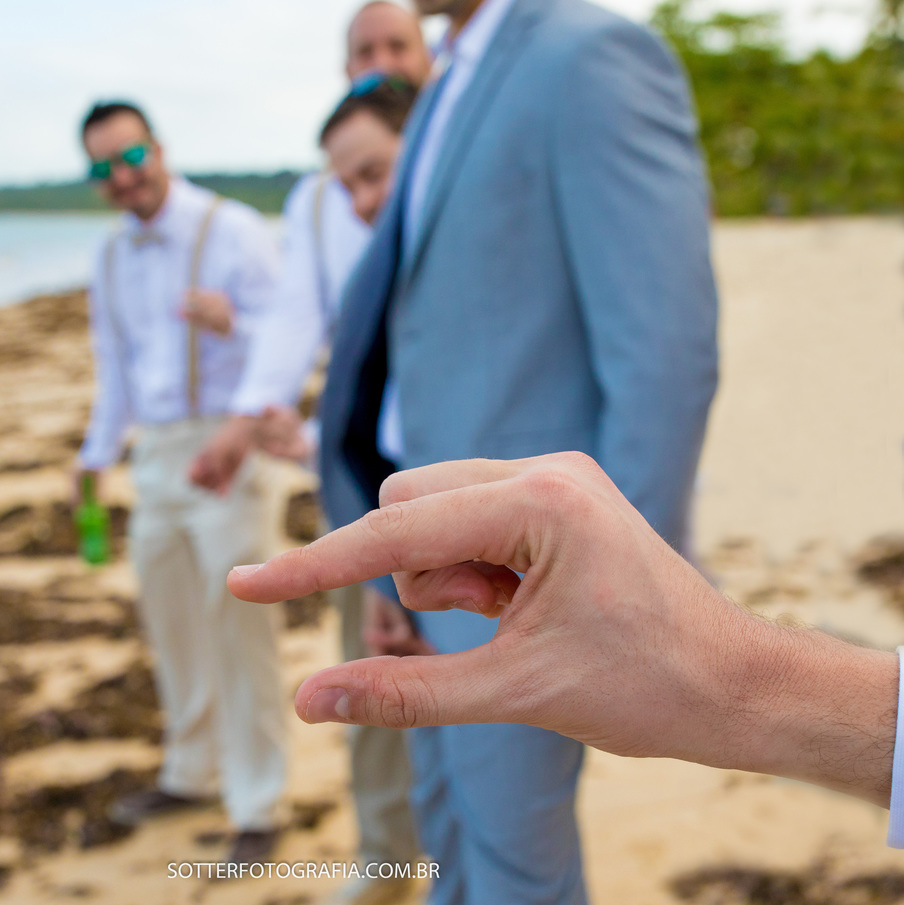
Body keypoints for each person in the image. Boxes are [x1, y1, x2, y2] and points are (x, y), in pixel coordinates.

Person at [313, 0, 720, 902]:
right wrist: (388, 564)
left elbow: (663, 354)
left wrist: (623, 600)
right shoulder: (451, 77)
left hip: (530, 588)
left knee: (515, 869)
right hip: (432, 571)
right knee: (446, 836)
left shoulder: (590, 57)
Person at [226, 452, 904, 847]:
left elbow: (664, 357)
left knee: (516, 837)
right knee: (446, 821)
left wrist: (661, 579)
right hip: (456, 555)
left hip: (547, 579)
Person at [191, 6, 433, 903]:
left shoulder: (453, 166)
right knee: (369, 681)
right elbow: (295, 317)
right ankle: (386, 862)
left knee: (470, 694)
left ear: (427, 59)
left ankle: (458, 863)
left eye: (394, 48)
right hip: (364, 478)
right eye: (361, 52)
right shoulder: (320, 194)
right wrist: (252, 416)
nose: (377, 62)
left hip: (460, 459)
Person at [75, 100, 287, 865]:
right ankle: (192, 771)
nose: (121, 175)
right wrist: (95, 457)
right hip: (156, 455)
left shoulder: (228, 227)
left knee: (238, 624)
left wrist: (234, 323)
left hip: (227, 444)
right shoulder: (107, 255)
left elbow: (293, 334)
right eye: (102, 167)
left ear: (158, 148)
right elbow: (115, 365)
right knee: (171, 622)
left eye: (130, 156)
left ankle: (260, 800)